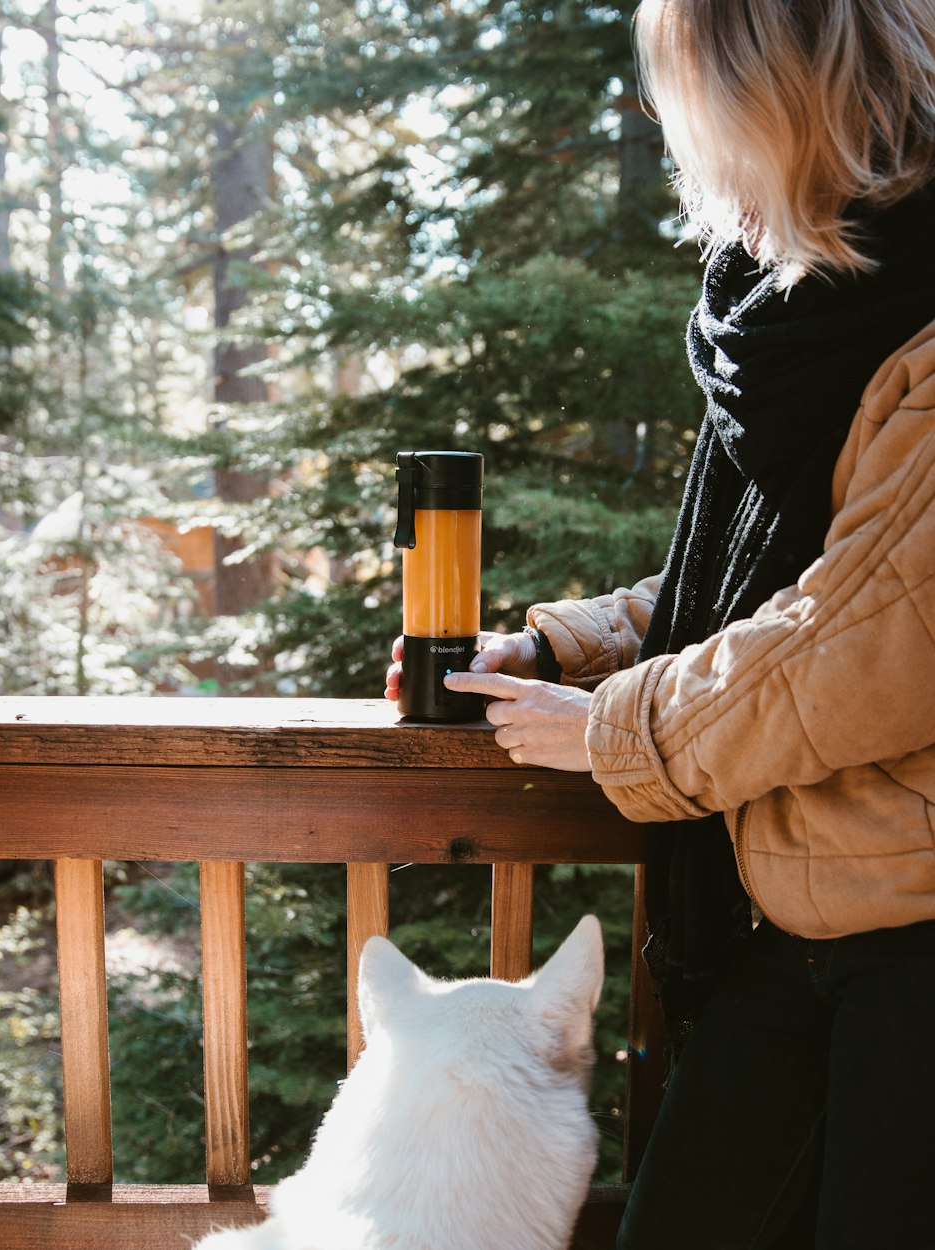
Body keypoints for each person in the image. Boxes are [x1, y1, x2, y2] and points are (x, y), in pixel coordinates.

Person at [385, 1, 935, 1246]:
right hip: (792, 914)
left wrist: (616, 731)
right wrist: (565, 648)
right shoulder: (803, 297)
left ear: (777, 93)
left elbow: (871, 645)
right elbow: (776, 579)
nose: (681, 139)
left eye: (693, 103)